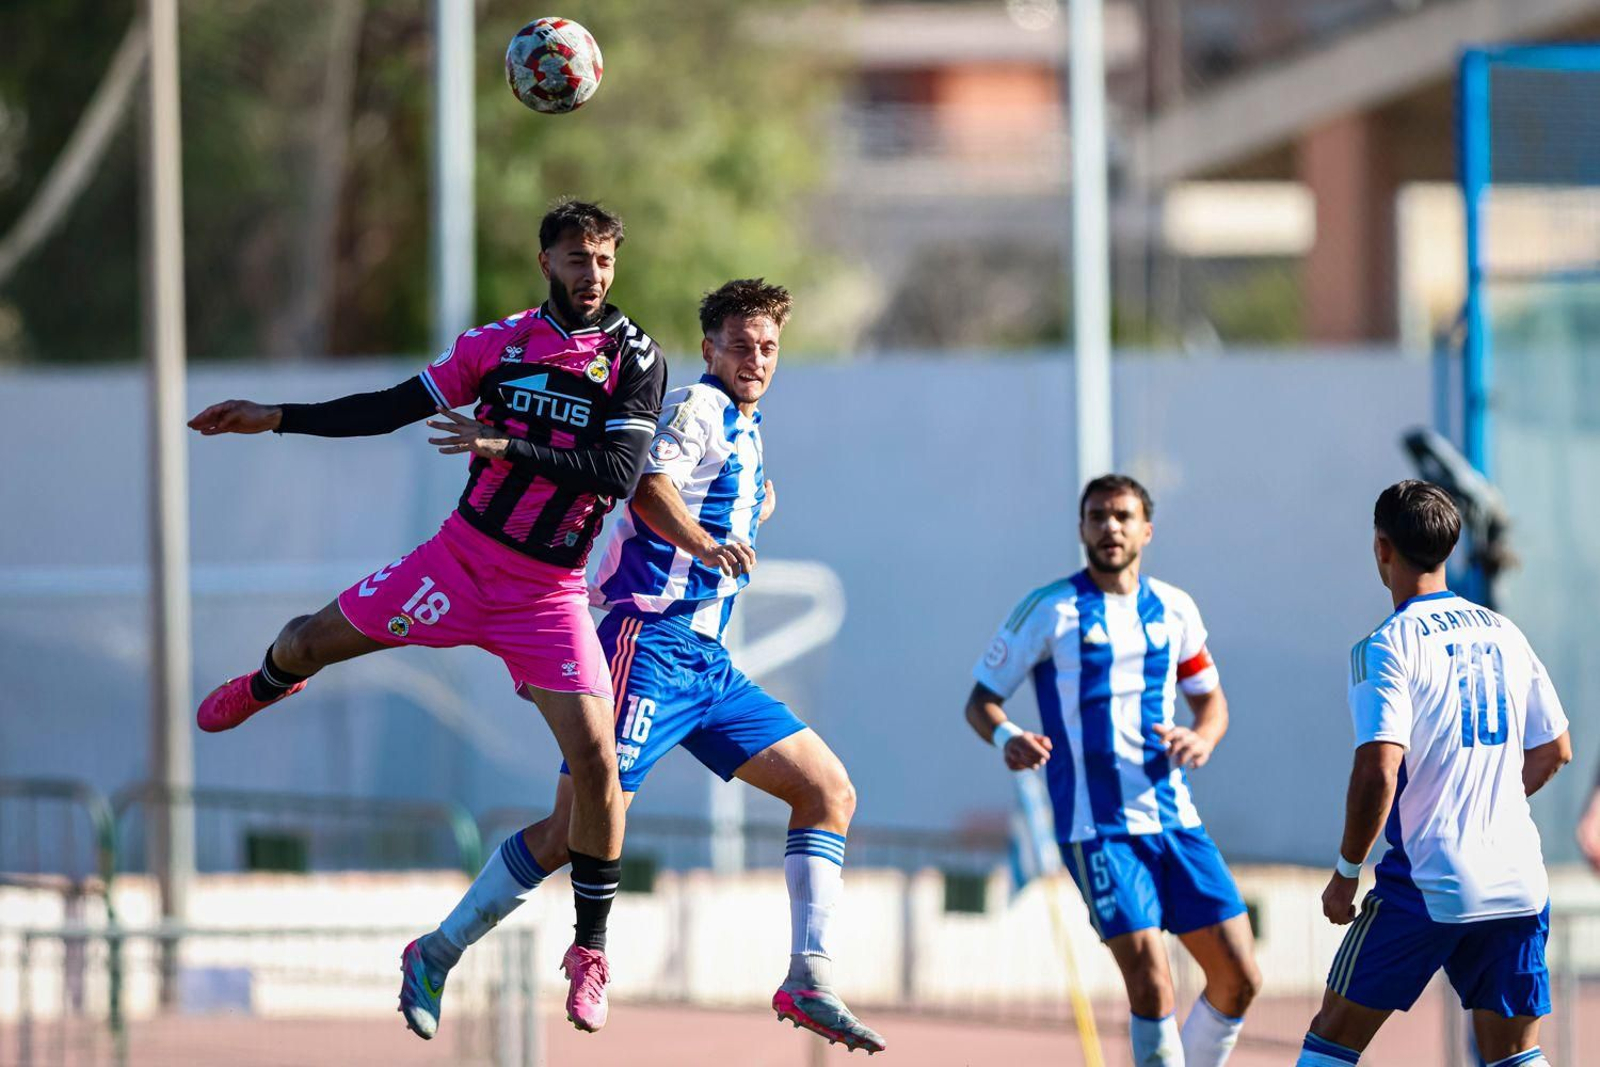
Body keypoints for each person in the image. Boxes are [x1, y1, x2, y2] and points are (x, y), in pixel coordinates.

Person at [184, 200, 666, 1038]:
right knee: (307, 641)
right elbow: (391, 406)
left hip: (548, 595)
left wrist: (507, 446)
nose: (592, 274)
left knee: (597, 762)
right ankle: (267, 683)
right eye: (576, 258)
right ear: (546, 261)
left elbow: (619, 471)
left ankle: (590, 950)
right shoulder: (498, 346)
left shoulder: (634, 357)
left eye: (603, 260)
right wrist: (278, 416)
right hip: (460, 562)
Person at [399, 278, 886, 1054]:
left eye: (767, 346)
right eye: (740, 344)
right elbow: (648, 484)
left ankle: (808, 974)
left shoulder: (745, 425)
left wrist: (750, 507)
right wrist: (704, 542)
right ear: (710, 348)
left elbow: (716, 493)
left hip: (708, 665)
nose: (756, 358)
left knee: (827, 790)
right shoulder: (697, 406)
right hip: (647, 645)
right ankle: (443, 949)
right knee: (574, 829)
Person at [964, 474, 1260, 1067]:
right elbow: (981, 701)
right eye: (1097, 516)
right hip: (1096, 828)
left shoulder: (1175, 608)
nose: (1110, 527)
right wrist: (1008, 736)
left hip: (1175, 819)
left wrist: (1202, 737)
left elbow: (1212, 703)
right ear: (1082, 529)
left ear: (1146, 530)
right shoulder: (1049, 609)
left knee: (1240, 977)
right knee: (1151, 979)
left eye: (1123, 516)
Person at [1295, 480, 1572, 1067]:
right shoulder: (1504, 632)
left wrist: (1347, 872)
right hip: (1517, 879)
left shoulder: (1385, 646)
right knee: (1515, 1054)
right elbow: (1554, 749)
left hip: (1430, 880)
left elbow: (1378, 771)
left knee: (1331, 1038)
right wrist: (1489, 802)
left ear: (1382, 548)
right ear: (1449, 548)